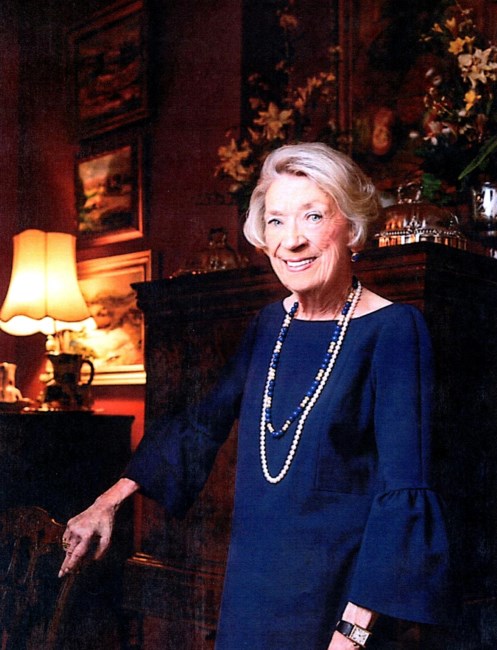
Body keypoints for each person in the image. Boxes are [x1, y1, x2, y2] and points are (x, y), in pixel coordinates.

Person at [59, 142, 452, 649]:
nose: (293, 240)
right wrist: (106, 503)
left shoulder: (395, 329)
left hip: (339, 602)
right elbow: (202, 424)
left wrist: (353, 631)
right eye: (276, 221)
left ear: (352, 228)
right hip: (252, 589)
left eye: (313, 216)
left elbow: (404, 489)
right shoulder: (270, 324)